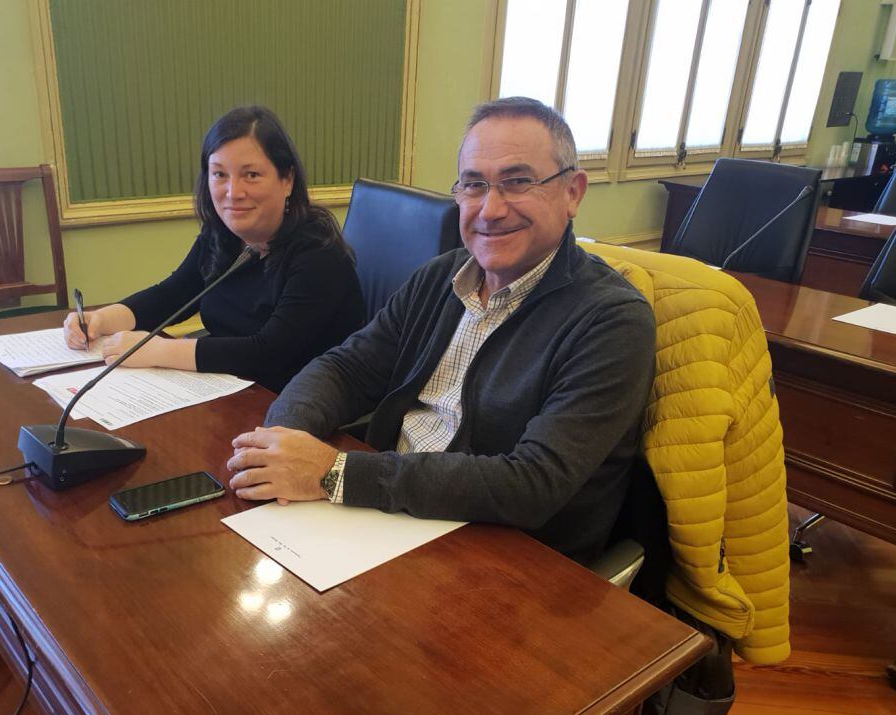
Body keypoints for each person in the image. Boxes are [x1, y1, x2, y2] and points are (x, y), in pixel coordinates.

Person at [226, 97, 656, 562]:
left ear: (573, 192)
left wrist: (334, 473)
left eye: (517, 182)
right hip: (383, 517)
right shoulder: (441, 276)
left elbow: (532, 484)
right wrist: (281, 445)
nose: (490, 209)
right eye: (474, 185)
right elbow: (345, 368)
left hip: (506, 559)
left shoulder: (612, 320)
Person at [63, 106, 364, 393]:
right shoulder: (223, 236)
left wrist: (160, 350)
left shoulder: (319, 255)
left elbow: (270, 353)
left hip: (291, 407)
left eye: (251, 175)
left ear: (287, 180)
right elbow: (171, 295)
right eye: (219, 174)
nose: (233, 192)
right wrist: (101, 320)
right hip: (229, 388)